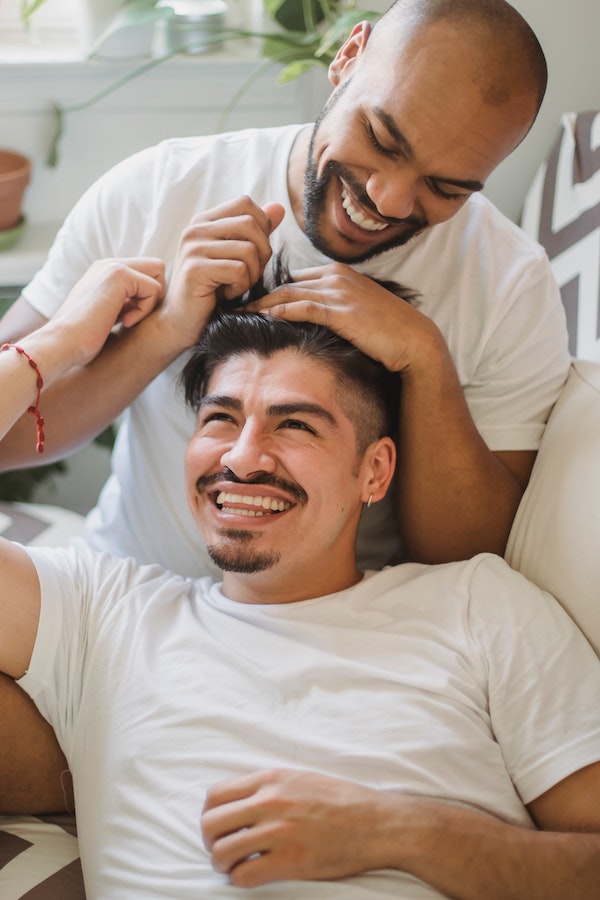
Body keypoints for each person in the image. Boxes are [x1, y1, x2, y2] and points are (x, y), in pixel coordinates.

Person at [0, 0, 572, 813]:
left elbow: (476, 555)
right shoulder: (158, 188)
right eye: (383, 138)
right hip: (126, 614)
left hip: (340, 654)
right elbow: (8, 433)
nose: (387, 197)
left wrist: (425, 362)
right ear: (348, 55)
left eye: (446, 189)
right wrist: (162, 332)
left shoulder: (506, 284)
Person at [0, 260, 599, 900]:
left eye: (295, 425)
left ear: (375, 471)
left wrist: (396, 831)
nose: (241, 457)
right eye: (219, 419)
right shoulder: (104, 615)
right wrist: (54, 345)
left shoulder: (482, 605)